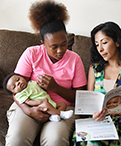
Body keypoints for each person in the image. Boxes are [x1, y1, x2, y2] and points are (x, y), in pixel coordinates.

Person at [5, 0, 87, 146]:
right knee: (17, 138)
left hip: (62, 108)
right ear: (43, 43)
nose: (60, 50)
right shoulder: (31, 53)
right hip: (30, 105)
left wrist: (56, 88)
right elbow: (15, 88)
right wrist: (29, 110)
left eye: (64, 44)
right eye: (54, 47)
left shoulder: (75, 60)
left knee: (55, 139)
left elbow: (80, 97)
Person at [72, 21, 121, 145]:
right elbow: (90, 104)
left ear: (117, 42)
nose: (100, 49)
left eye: (104, 43)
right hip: (100, 121)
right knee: (86, 140)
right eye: (97, 45)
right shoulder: (94, 69)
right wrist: (95, 114)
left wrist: (118, 102)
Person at [3, 73, 74, 122]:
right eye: (14, 86)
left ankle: (54, 116)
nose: (18, 83)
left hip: (50, 101)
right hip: (41, 106)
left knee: (63, 104)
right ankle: (60, 114)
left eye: (18, 79)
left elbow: (40, 89)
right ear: (14, 93)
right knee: (46, 105)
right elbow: (28, 101)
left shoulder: (31, 83)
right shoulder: (20, 94)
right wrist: (39, 102)